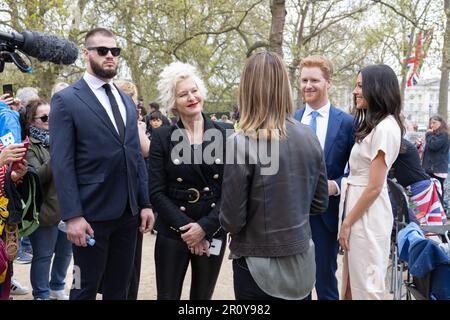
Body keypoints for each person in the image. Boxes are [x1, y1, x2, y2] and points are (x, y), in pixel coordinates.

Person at [49, 27, 154, 300]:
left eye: (115, 51)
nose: (110, 56)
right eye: (102, 50)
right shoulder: (66, 100)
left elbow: (134, 156)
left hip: (128, 215)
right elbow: (62, 163)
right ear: (86, 53)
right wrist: (72, 216)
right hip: (90, 215)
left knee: (120, 289)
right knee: (84, 288)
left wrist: (145, 203)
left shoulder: (125, 101)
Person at [220, 52, 329, 300]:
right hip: (300, 260)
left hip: (256, 264)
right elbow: (320, 202)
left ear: (247, 88)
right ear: (283, 86)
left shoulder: (241, 142)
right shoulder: (308, 136)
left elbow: (232, 220)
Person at [149, 61, 232, 300]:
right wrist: (188, 230)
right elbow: (156, 191)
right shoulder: (162, 136)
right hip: (174, 230)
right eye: (183, 94)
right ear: (173, 102)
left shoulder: (226, 133)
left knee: (202, 299)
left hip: (212, 228)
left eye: (194, 90)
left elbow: (232, 191)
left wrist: (204, 228)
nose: (191, 97)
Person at [338, 64, 404, 300]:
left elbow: (375, 186)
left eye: (360, 86)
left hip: (367, 214)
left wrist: (347, 223)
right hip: (358, 208)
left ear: (377, 89)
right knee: (350, 283)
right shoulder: (375, 125)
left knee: (366, 287)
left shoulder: (386, 128)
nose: (355, 91)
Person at [293, 55, 354, 300]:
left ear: (328, 82)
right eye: (304, 80)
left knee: (325, 281)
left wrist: (336, 186)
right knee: (297, 283)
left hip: (327, 217)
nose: (308, 85)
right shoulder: (291, 120)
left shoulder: (347, 123)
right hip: (292, 216)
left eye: (314, 80)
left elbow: (355, 172)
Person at [25, 98, 72, 300]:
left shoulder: (64, 138)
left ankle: (57, 286)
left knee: (65, 254)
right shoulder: (29, 146)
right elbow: (37, 176)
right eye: (44, 118)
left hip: (69, 209)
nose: (49, 121)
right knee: (43, 256)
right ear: (32, 121)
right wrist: (58, 153)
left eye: (52, 117)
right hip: (45, 210)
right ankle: (41, 293)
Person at [391, 138, 446, 226]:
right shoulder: (402, 144)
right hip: (414, 188)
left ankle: (424, 236)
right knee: (418, 215)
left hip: (420, 188)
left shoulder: (401, 145)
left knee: (419, 218)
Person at [421, 115, 449, 209]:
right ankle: (434, 213)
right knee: (432, 193)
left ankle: (440, 214)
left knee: (438, 193)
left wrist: (428, 134)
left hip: (437, 169)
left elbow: (433, 146)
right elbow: (429, 149)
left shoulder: (444, 134)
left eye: (434, 122)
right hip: (431, 168)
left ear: (441, 123)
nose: (431, 125)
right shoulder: (434, 134)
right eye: (431, 123)